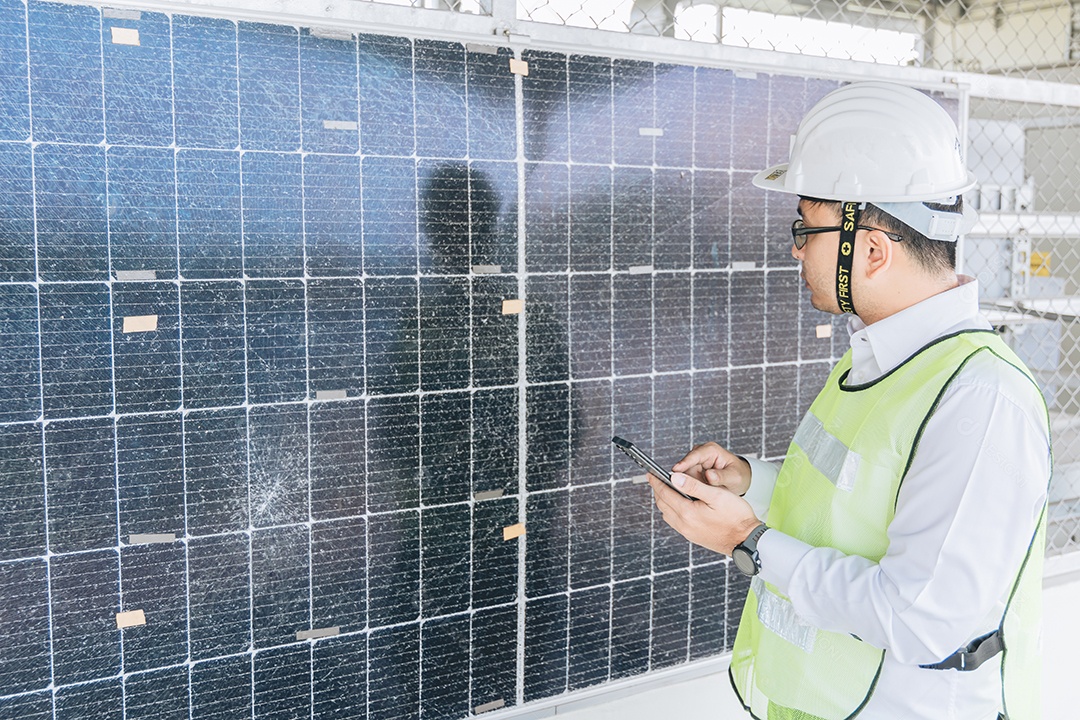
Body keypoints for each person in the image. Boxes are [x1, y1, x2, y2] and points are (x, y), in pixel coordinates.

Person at [647, 81, 1051, 720]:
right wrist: (752, 483)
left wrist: (749, 542)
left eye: (805, 229)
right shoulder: (884, 358)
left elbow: (923, 623)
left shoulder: (980, 400)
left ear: (871, 249)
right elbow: (855, 500)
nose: (794, 248)